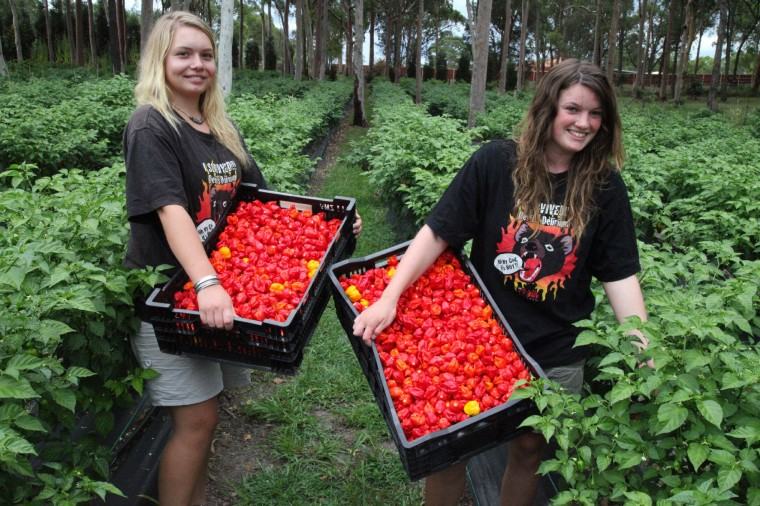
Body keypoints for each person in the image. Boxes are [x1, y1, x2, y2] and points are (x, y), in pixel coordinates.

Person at [352, 59, 648, 506]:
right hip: (481, 342)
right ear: (548, 107)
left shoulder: (604, 187)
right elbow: (438, 231)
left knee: (531, 449)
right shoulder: (496, 163)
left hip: (557, 349)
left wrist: (645, 351)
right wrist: (390, 295)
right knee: (449, 451)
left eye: (595, 114)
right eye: (573, 109)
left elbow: (620, 273)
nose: (584, 123)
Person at [123, 12, 360, 505]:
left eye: (206, 55)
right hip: (173, 294)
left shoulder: (217, 126)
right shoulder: (151, 123)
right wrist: (207, 283)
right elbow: (171, 211)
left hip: (220, 288)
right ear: (160, 60)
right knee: (197, 419)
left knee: (205, 419)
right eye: (183, 54)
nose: (197, 64)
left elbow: (260, 199)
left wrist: (330, 223)